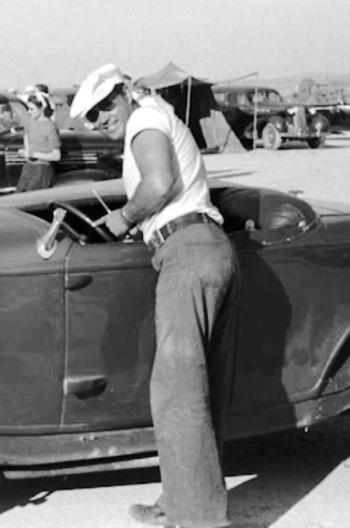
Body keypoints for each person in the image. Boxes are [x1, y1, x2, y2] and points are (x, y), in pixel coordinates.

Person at [71, 64, 237, 528]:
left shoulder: (144, 122)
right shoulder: (155, 113)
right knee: (196, 390)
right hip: (204, 248)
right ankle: (181, 499)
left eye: (106, 105)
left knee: (176, 392)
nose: (101, 118)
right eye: (91, 115)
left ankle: (200, 520)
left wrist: (124, 218)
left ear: (124, 93)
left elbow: (159, 184)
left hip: (185, 251)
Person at [17, 93, 60, 191]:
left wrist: (33, 154)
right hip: (29, 166)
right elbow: (27, 135)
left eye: (32, 109)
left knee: (32, 198)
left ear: (42, 109)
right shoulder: (31, 121)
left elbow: (56, 155)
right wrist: (27, 150)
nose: (29, 112)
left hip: (42, 168)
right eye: (28, 108)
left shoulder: (50, 127)